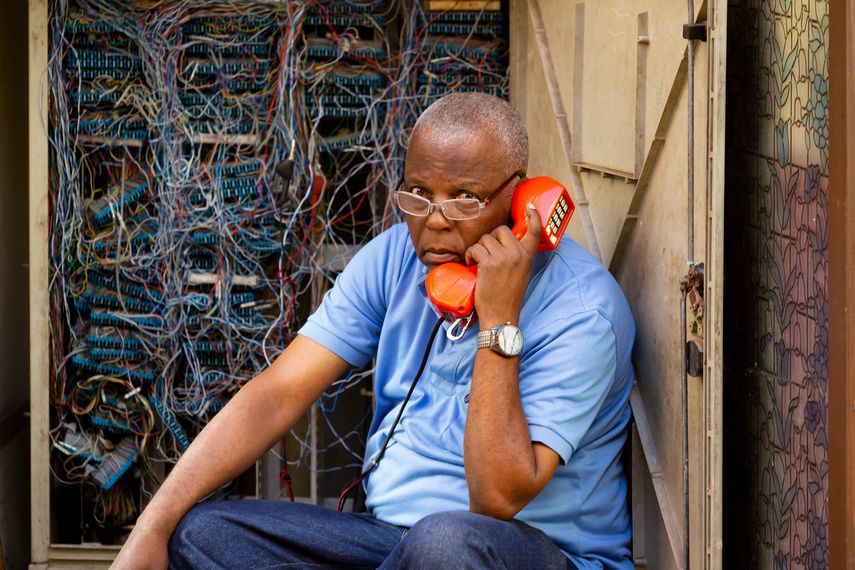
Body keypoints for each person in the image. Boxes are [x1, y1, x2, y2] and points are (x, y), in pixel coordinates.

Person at [112, 92, 635, 570]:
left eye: (464, 198)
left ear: (519, 197)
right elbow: (276, 395)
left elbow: (497, 499)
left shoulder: (585, 310)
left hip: (521, 551)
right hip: (389, 544)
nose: (435, 221)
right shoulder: (394, 259)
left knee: (444, 544)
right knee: (202, 535)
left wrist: (498, 320)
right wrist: (151, 527)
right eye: (418, 194)